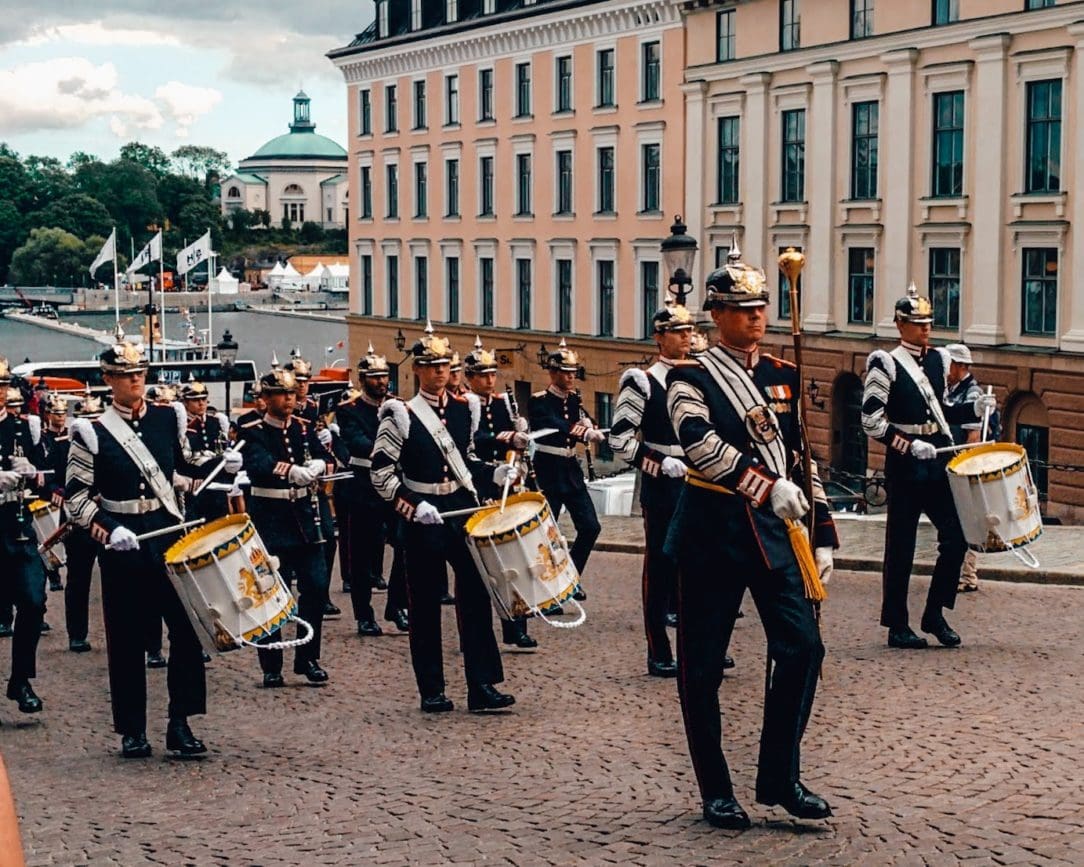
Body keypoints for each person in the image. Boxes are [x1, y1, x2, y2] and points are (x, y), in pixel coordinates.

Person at [664, 259, 837, 829]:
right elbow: (697, 444)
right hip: (712, 532)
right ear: (716, 316)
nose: (756, 316)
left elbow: (802, 457)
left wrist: (822, 535)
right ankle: (715, 788)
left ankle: (779, 776)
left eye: (761, 307)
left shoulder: (784, 373)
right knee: (703, 668)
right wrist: (764, 486)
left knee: (802, 647)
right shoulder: (688, 376)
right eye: (742, 309)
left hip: (774, 535)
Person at [66, 342, 243, 758]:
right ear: (108, 379)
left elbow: (180, 469)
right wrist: (108, 529)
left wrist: (220, 467)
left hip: (168, 537)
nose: (135, 379)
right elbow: (76, 497)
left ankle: (180, 723)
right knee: (127, 637)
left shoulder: (167, 419)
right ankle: (132, 729)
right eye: (126, 374)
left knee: (186, 630)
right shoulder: (92, 431)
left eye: (140, 372)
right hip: (124, 543)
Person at [370, 323, 518, 714]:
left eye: (444, 365)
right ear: (417, 370)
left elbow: (465, 459)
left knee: (476, 596)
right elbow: (381, 473)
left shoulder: (462, 408)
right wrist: (412, 504)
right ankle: (431, 688)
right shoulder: (400, 414)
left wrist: (494, 474)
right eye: (431, 365)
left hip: (460, 511)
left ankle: (481, 684)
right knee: (424, 607)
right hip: (423, 517)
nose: (439, 372)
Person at [862, 285, 996, 649]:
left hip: (936, 458)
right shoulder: (884, 362)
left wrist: (974, 411)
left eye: (927, 323)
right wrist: (906, 443)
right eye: (916, 323)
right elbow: (871, 419)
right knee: (901, 546)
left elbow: (942, 411)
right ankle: (897, 624)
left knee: (956, 536)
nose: (924, 329)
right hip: (905, 461)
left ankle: (935, 612)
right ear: (899, 325)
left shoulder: (938, 360)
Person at [610, 304, 736, 678]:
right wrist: (656, 462)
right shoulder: (643, 380)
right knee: (662, 568)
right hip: (665, 483)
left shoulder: (702, 377)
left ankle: (707, 646)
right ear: (659, 336)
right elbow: (620, 439)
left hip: (704, 478)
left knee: (709, 569)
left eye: (689, 330)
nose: (686, 337)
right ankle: (658, 650)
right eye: (677, 331)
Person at [240, 367, 335, 687]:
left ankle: (308, 657)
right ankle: (271, 663)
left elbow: (334, 458)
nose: (289, 400)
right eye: (281, 394)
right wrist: (291, 471)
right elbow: (257, 463)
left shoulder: (306, 429)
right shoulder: (252, 430)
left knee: (316, 586)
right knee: (270, 594)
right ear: (265, 399)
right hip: (271, 520)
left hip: (308, 521)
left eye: (293, 394)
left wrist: (322, 464)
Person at [464, 337, 536, 650]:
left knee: (514, 557)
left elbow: (511, 437)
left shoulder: (501, 402)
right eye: (482, 375)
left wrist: (520, 430)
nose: (489, 380)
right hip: (480, 483)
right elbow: (475, 440)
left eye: (492, 374)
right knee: (483, 563)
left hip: (507, 479)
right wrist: (507, 436)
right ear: (469, 378)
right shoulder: (464, 404)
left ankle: (516, 625)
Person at [335, 346, 410, 636]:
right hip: (363, 485)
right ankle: (364, 614)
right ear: (363, 379)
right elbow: (357, 442)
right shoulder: (349, 410)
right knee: (362, 555)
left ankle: (396, 605)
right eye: (374, 377)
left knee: (404, 545)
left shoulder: (398, 406)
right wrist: (391, 449)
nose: (381, 382)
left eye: (384, 376)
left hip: (394, 484)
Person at [528, 340, 602, 598]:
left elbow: (582, 421)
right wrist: (583, 430)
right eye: (566, 372)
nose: (571, 376)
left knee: (591, 527)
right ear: (553, 373)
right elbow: (554, 423)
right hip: (548, 471)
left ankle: (570, 577)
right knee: (547, 535)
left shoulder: (575, 399)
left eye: (574, 372)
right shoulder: (539, 401)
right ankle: (549, 587)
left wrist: (589, 424)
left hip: (570, 470)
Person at [0, 366, 48, 719]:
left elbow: (47, 474)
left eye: (2, 386)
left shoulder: (19, 427)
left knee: (33, 602)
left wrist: (32, 470)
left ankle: (21, 678)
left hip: (17, 525)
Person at [284, 355, 341, 619]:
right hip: (285, 493)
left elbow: (327, 452)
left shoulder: (313, 409)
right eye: (298, 381)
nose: (302, 385)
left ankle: (323, 594)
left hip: (314, 491)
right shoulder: (279, 411)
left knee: (328, 539)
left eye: (306, 381)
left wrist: (329, 448)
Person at [52, 393, 104, 653]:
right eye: (88, 419)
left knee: (117, 578)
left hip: (107, 517)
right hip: (77, 518)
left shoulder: (109, 441)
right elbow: (61, 480)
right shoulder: (65, 444)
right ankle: (77, 633)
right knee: (78, 578)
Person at [944, 343, 997, 593]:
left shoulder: (972, 393)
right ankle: (959, 574)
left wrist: (958, 470)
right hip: (953, 465)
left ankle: (967, 576)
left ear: (959, 366)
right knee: (956, 522)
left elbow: (973, 438)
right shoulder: (951, 390)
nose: (945, 369)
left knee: (964, 521)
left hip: (963, 469)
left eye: (949, 364)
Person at [179, 381, 231, 524]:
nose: (201, 403)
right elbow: (184, 457)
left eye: (203, 399)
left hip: (217, 482)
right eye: (195, 400)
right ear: (185, 402)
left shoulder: (216, 421)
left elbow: (222, 447)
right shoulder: (182, 426)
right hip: (196, 483)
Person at [39, 393, 70, 592]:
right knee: (49, 537)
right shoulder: (43, 439)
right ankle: (53, 573)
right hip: (52, 493)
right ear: (49, 415)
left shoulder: (72, 436)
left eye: (63, 413)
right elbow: (41, 468)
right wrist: (52, 489)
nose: (60, 417)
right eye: (56, 413)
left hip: (70, 491)